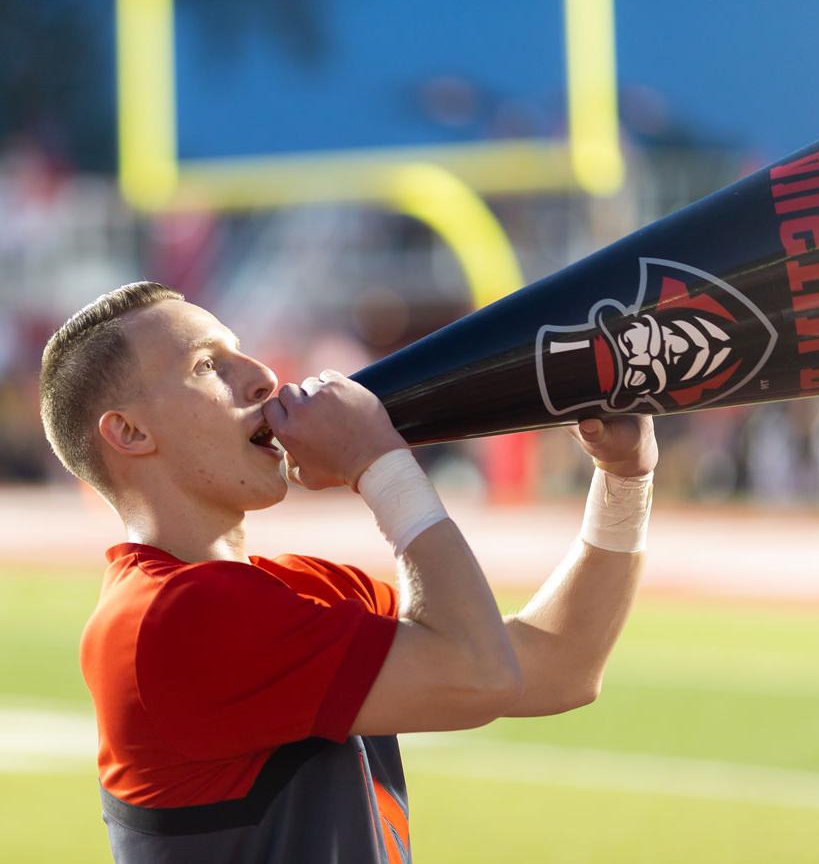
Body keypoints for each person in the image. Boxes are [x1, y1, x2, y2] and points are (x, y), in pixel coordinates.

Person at [38, 281, 657, 863]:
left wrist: (625, 480)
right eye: (206, 366)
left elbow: (558, 671)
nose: (260, 377)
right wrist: (376, 462)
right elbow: (481, 674)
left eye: (240, 352)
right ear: (129, 431)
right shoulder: (173, 616)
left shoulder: (299, 589)